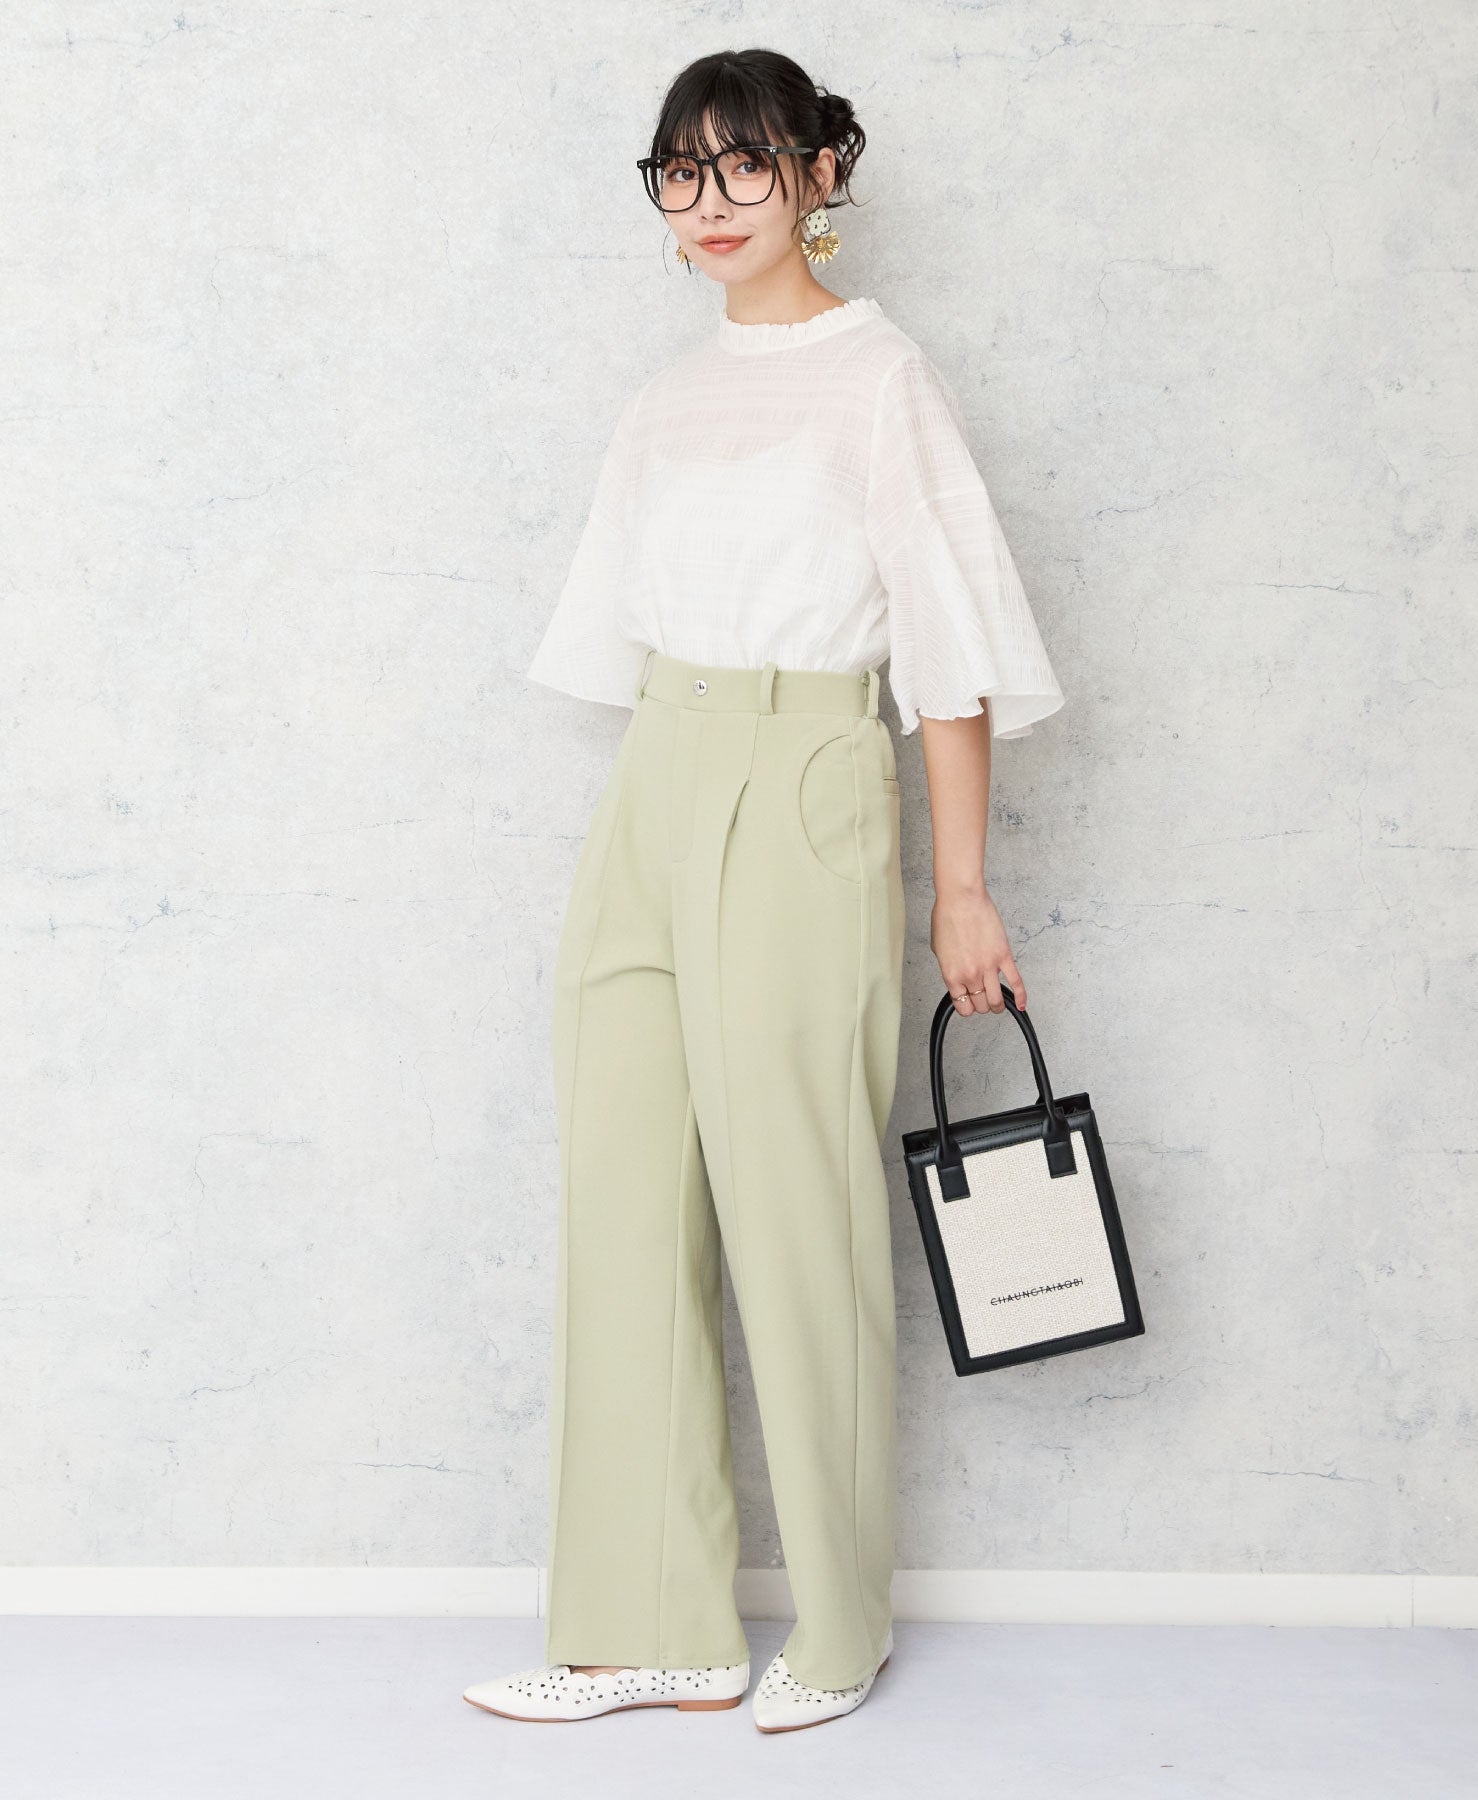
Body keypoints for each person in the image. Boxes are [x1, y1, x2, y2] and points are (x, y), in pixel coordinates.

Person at [463, 47, 1064, 1734]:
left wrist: (961, 888)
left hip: (807, 780)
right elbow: (626, 641)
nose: (711, 202)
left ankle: (841, 1628)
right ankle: (648, 1629)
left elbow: (947, 651)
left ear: (820, 175)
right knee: (625, 1196)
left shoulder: (883, 380)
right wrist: (662, 804)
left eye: (746, 166)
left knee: (797, 1208)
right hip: (658, 779)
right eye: (681, 171)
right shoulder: (663, 403)